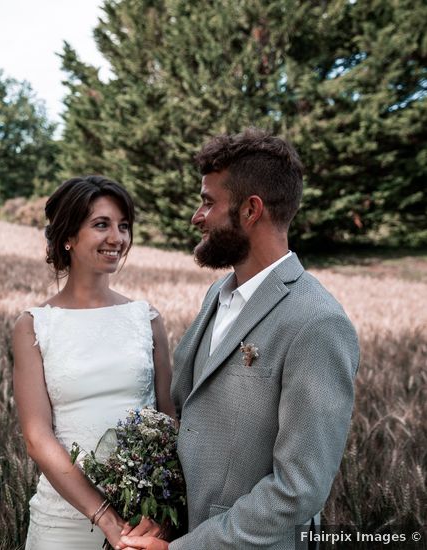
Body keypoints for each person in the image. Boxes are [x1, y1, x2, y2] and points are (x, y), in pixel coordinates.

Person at [118, 129, 360, 550]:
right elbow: (190, 415)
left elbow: (298, 490)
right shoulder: (219, 293)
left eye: (209, 202)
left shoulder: (317, 323)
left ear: (251, 210)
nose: (197, 216)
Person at [13, 175, 176, 549]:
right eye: (101, 225)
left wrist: (159, 511)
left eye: (124, 226)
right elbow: (37, 438)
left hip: (142, 524)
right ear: (67, 237)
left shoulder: (146, 319)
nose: (117, 238)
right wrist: (105, 516)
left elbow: (170, 423)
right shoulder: (35, 326)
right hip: (63, 522)